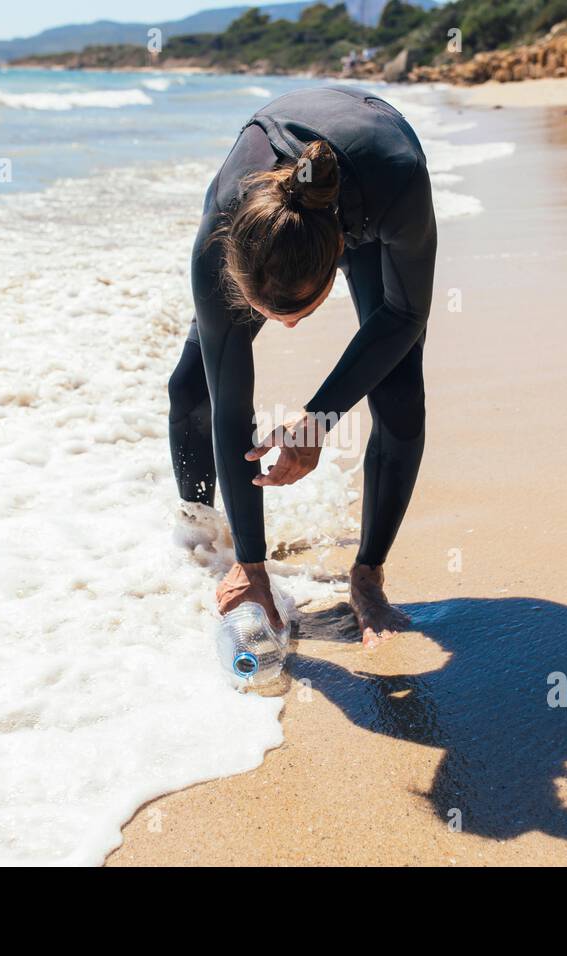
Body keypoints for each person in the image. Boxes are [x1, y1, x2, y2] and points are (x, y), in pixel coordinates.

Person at [168, 85, 436, 647]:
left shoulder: (399, 184)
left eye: (297, 313)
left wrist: (315, 422)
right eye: (268, 312)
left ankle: (366, 577)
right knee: (193, 384)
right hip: (269, 198)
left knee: (399, 393)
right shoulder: (220, 233)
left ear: (336, 255)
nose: (285, 327)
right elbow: (231, 403)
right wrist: (253, 564)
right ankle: (211, 545)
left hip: (368, 173)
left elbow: (404, 314)